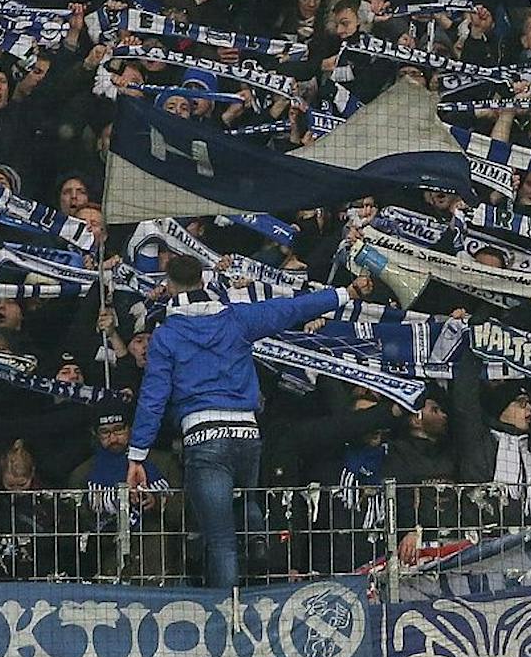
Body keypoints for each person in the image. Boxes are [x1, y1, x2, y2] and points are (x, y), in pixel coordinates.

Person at [125, 253, 372, 594]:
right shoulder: (236, 320)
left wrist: (137, 456)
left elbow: (152, 399)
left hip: (204, 435)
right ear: (204, 281)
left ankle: (228, 619)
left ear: (169, 287)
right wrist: (345, 293)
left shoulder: (166, 336)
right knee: (243, 499)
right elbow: (291, 309)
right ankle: (257, 533)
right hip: (247, 435)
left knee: (221, 541)